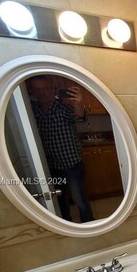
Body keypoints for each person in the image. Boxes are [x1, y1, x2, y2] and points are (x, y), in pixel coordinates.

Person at [25, 75, 95, 222]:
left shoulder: (64, 109)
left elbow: (81, 118)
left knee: (78, 197)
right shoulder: (31, 111)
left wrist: (78, 103)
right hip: (50, 165)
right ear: (31, 91)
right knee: (58, 198)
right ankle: (66, 223)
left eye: (46, 88)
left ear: (53, 90)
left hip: (71, 164)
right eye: (38, 89)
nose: (42, 92)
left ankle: (88, 222)